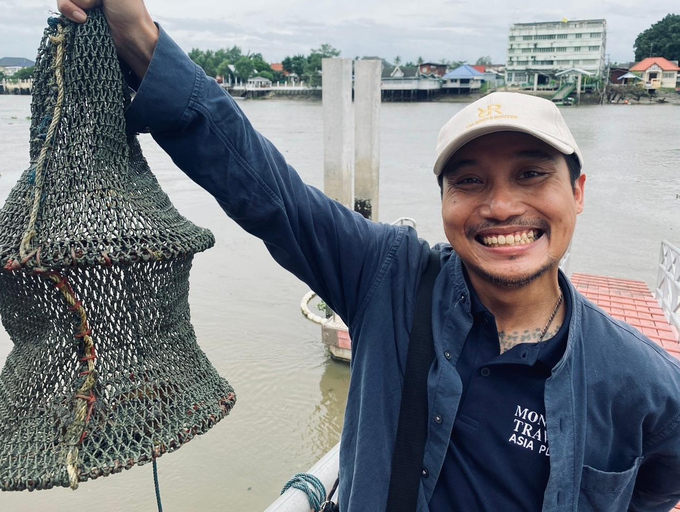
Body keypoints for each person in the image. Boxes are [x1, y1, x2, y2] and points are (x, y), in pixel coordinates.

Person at [58, 1, 680, 510]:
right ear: (443, 202)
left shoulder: (645, 383)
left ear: (578, 192)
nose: (499, 206)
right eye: (469, 181)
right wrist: (139, 38)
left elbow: (657, 490)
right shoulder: (389, 278)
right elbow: (268, 192)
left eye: (531, 174)